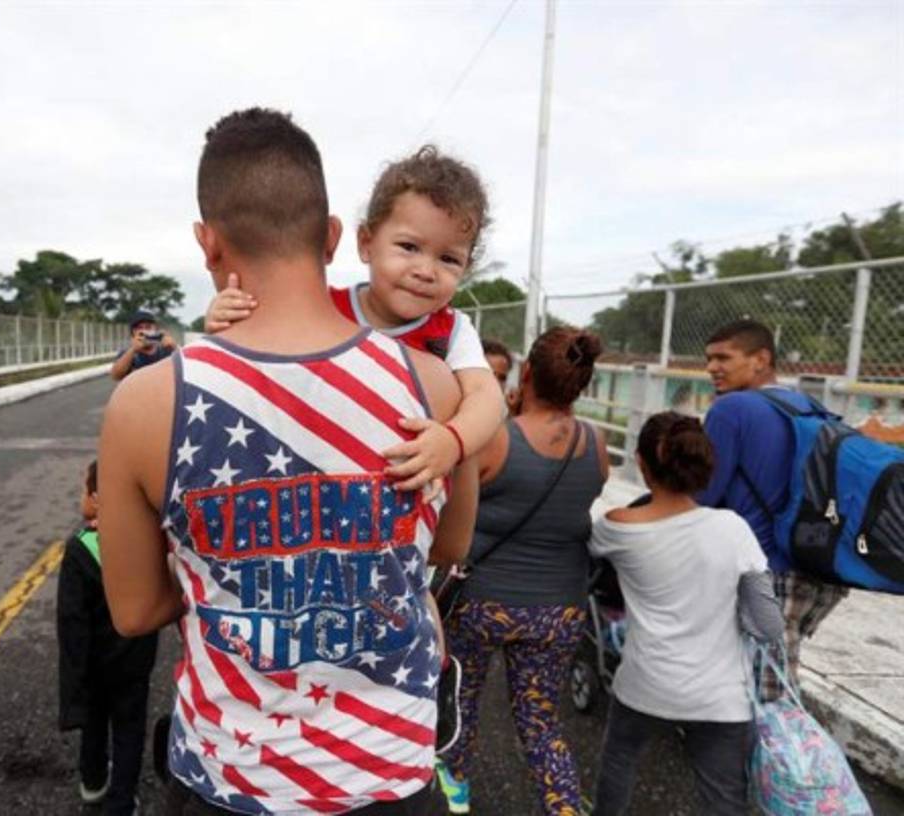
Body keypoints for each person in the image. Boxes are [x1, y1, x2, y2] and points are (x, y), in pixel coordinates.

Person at [98, 108, 478, 815]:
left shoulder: (146, 402)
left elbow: (135, 609)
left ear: (209, 244)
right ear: (333, 236)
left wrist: (236, 576)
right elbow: (450, 546)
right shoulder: (433, 384)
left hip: (232, 778)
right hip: (389, 773)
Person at [206, 145, 505, 494]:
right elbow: (264, 340)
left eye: (449, 259)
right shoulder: (324, 307)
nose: (426, 271)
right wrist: (226, 316)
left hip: (400, 487)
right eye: (409, 247)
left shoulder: (451, 331)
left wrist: (453, 441)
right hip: (310, 475)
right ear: (366, 243)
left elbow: (487, 397)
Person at [437, 326, 609, 816]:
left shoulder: (494, 438)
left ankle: (455, 797)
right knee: (540, 722)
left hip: (483, 602)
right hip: (559, 608)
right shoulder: (596, 443)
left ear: (526, 372)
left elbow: (455, 511)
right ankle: (564, 807)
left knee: (461, 704)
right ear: (582, 382)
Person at [589, 412, 784, 816]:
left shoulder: (618, 527)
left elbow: (589, 559)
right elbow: (768, 625)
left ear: (641, 464)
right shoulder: (734, 529)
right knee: (724, 799)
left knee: (619, 760)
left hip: (644, 683)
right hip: (720, 697)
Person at [697, 319, 848, 691]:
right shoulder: (808, 406)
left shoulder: (730, 408)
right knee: (769, 681)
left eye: (723, 358)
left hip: (765, 569)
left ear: (761, 359)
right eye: (709, 359)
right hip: (818, 566)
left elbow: (702, 493)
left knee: (766, 700)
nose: (712, 367)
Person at [56, 459, 158, 815]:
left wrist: (72, 680)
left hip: (94, 663)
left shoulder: (80, 549)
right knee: (130, 728)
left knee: (94, 721)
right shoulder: (149, 541)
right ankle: (121, 801)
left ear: (98, 499)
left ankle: (93, 782)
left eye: (83, 490)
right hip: (134, 660)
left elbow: (72, 619)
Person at [110, 310, 176, 380]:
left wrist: (174, 347)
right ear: (133, 332)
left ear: (155, 329)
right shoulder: (128, 354)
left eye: (148, 327)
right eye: (139, 328)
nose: (144, 331)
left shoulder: (165, 350)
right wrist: (133, 350)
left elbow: (182, 372)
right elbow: (116, 376)